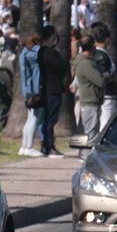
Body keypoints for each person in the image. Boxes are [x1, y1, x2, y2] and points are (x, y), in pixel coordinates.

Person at [38, 26, 68, 157]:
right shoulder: (49, 53)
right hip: (52, 89)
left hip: (48, 88)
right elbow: (61, 66)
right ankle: (49, 146)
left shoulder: (41, 51)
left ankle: (47, 144)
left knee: (48, 119)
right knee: (50, 119)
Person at [73, 35, 105, 143]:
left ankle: (85, 155)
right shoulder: (86, 64)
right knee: (90, 134)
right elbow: (100, 81)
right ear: (92, 47)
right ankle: (86, 156)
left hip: (90, 101)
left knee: (90, 132)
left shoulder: (84, 61)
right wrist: (107, 76)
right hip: (90, 101)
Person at [18, 33, 46, 157]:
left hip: (27, 90)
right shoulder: (36, 53)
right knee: (35, 118)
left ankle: (24, 146)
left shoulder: (23, 53)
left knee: (30, 119)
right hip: (35, 89)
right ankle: (29, 146)